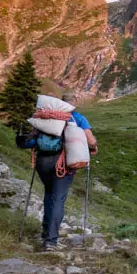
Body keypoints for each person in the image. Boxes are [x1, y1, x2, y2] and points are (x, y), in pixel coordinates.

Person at [18, 92, 97, 251]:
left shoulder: (47, 116)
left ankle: (46, 231)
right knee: (58, 199)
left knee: (48, 194)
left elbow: (32, 138)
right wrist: (93, 147)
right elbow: (91, 141)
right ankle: (51, 241)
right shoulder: (76, 117)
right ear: (73, 102)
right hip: (62, 164)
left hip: (41, 162)